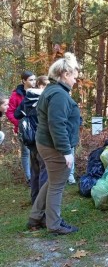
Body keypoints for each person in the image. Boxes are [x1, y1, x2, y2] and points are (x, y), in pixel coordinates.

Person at [27, 52, 81, 234]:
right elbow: (57, 124)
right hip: (54, 147)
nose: (75, 80)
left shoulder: (52, 90)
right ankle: (54, 224)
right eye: (74, 76)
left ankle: (36, 217)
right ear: (65, 74)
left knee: (52, 181)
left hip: (46, 144)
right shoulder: (58, 94)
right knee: (57, 185)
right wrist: (66, 151)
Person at [15, 76, 49, 204]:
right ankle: (42, 201)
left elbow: (17, 114)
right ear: (42, 86)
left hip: (30, 140)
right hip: (42, 138)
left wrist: (27, 114)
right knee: (44, 170)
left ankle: (35, 198)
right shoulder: (44, 99)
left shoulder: (27, 98)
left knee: (35, 171)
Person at [6, 71, 36, 184]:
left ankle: (35, 175)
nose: (33, 82)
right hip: (23, 129)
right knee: (26, 152)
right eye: (31, 80)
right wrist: (19, 124)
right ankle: (29, 177)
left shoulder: (37, 92)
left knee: (36, 151)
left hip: (36, 127)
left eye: (34, 79)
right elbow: (9, 112)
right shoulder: (16, 94)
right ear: (24, 81)